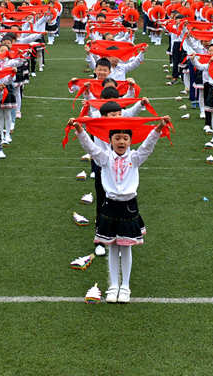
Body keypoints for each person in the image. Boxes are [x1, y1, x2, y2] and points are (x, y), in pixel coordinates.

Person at [70, 115, 171, 304]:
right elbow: (90, 147)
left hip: (129, 206)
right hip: (110, 206)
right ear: (110, 141)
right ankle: (113, 286)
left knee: (126, 247)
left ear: (130, 141)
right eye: (117, 138)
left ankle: (125, 287)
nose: (121, 142)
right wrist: (79, 129)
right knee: (112, 246)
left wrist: (158, 128)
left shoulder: (135, 157)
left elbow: (148, 145)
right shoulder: (104, 157)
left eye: (125, 138)